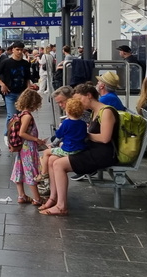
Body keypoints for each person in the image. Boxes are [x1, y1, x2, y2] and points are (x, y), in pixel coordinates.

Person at [40, 83, 120, 216]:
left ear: (88, 96)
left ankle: (61, 206)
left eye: (78, 99)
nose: (76, 103)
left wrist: (84, 135)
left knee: (58, 164)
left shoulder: (106, 111)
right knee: (52, 159)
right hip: (92, 149)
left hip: (102, 154)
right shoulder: (95, 112)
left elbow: (105, 138)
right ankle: (53, 198)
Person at [10, 89, 46, 206]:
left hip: (23, 148)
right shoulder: (27, 116)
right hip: (28, 147)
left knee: (19, 170)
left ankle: (21, 195)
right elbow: (22, 133)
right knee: (31, 171)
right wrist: (37, 140)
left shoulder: (21, 114)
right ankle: (37, 198)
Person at [0, 41, 35, 130]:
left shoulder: (25, 64)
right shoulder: (6, 62)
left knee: (21, 115)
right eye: (17, 50)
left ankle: (17, 134)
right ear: (13, 50)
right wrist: (2, 85)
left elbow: (27, 78)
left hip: (22, 93)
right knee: (11, 115)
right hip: (10, 92)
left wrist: (29, 88)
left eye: (21, 50)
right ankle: (8, 134)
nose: (19, 52)